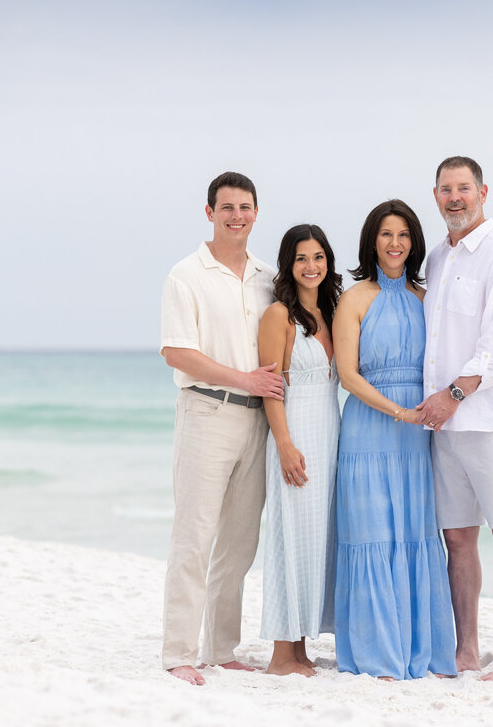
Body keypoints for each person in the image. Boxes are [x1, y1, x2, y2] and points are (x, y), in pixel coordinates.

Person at [159, 171, 285, 686]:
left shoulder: (267, 276)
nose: (237, 215)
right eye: (227, 207)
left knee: (239, 541)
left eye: (246, 207)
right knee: (194, 535)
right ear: (209, 213)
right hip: (207, 414)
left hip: (257, 422)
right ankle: (179, 652)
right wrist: (245, 379)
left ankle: (221, 647)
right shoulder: (185, 275)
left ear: (257, 212)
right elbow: (177, 351)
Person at [417, 156, 493, 685]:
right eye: (446, 190)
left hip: (488, 418)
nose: (455, 198)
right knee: (458, 539)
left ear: (484, 191)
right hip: (444, 427)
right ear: (435, 195)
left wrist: (454, 394)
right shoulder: (438, 258)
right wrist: (437, 405)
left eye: (464, 188)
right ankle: (466, 651)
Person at [333, 200, 456, 680]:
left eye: (404, 235)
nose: (395, 243)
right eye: (386, 234)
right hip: (369, 428)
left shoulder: (427, 297)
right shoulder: (355, 298)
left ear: (415, 243)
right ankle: (380, 655)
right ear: (372, 240)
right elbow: (348, 375)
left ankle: (423, 649)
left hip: (418, 434)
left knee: (414, 532)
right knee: (372, 534)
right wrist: (400, 412)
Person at [257, 224, 343, 677]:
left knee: (315, 539)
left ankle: (300, 648)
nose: (311, 267)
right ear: (289, 266)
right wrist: (285, 445)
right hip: (296, 437)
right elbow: (272, 388)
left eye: (318, 257)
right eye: (301, 259)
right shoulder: (279, 316)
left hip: (329, 435)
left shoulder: (331, 312)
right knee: (290, 537)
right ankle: (280, 654)